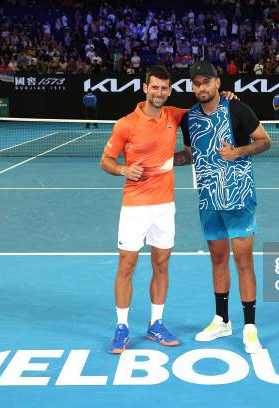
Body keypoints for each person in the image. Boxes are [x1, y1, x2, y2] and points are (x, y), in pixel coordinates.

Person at [100, 65, 237, 354]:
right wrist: (124, 169)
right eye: (155, 87)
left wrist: (226, 98)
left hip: (164, 206)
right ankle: (122, 326)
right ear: (145, 88)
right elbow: (106, 161)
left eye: (165, 88)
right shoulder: (125, 124)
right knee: (127, 266)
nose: (159, 92)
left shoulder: (175, 116)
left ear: (169, 91)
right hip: (135, 206)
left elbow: (207, 106)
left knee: (161, 265)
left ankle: (156, 323)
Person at [174, 61, 272, 354]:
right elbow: (190, 155)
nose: (201, 87)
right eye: (196, 83)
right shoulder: (189, 118)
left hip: (239, 196)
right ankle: (222, 320)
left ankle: (250, 328)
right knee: (218, 260)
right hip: (209, 199)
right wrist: (158, 159)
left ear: (218, 83)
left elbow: (266, 142)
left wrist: (238, 152)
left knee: (243, 261)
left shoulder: (238, 109)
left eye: (206, 82)